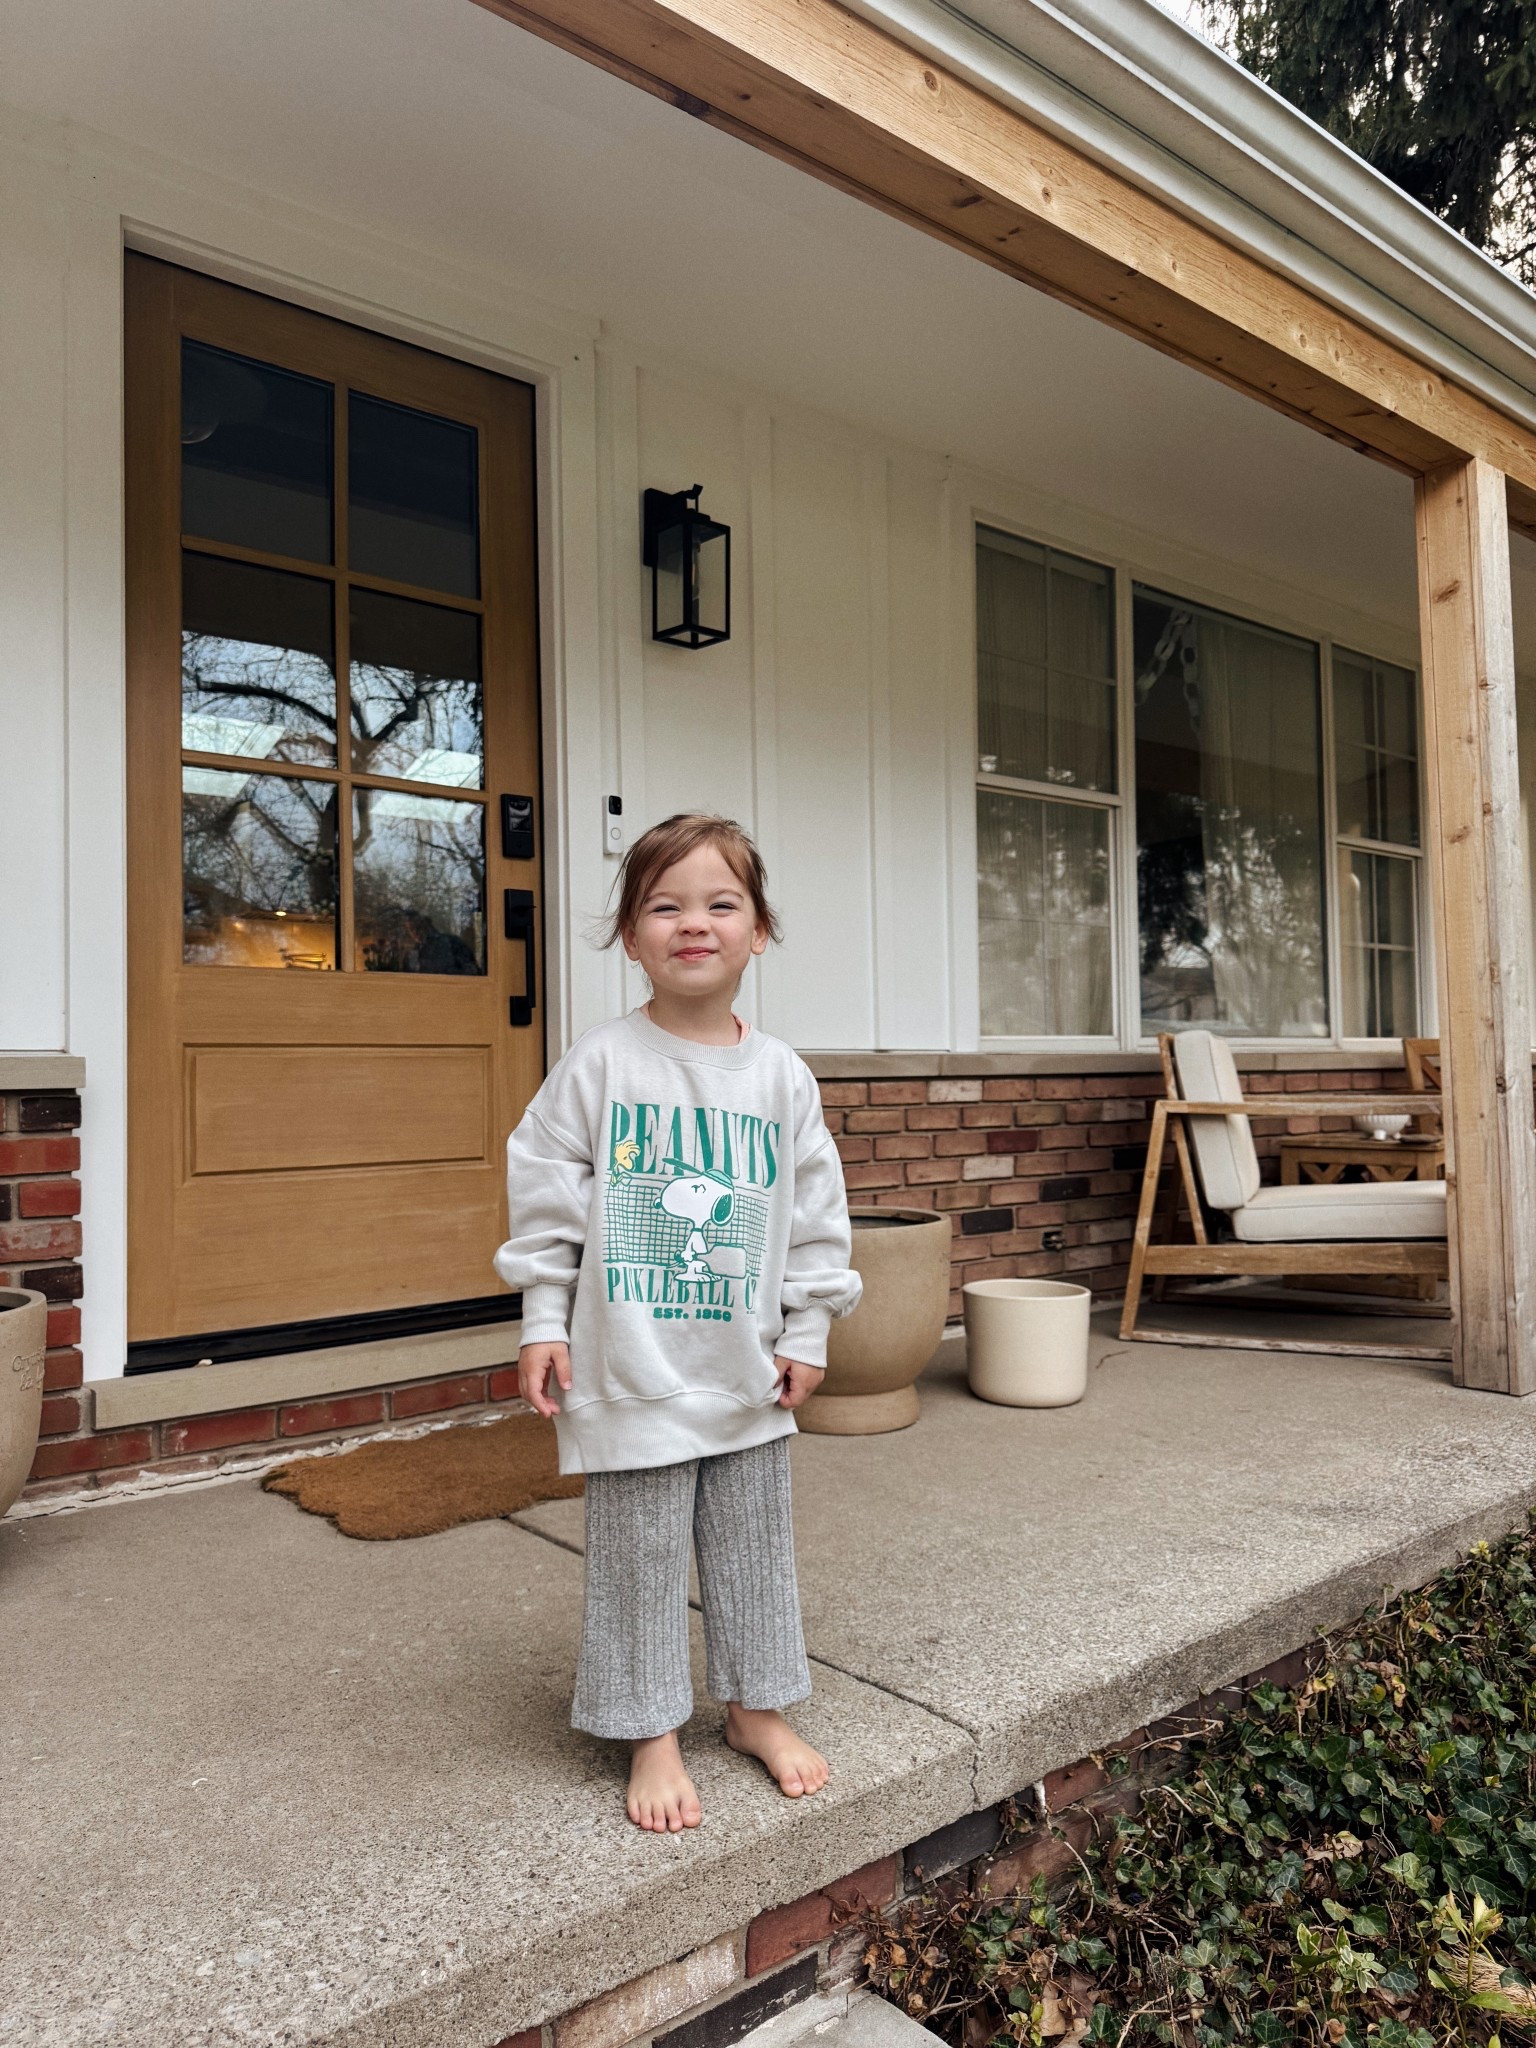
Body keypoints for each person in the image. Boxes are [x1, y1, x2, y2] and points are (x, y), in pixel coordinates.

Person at [493, 812, 861, 1833]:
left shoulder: (781, 1075)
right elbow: (546, 1189)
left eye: (719, 903)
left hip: (743, 1364)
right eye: (665, 904)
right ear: (630, 935)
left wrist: (809, 1329)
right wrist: (541, 1316)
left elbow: (818, 1218)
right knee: (640, 1553)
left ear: (758, 932)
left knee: (751, 1544)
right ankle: (648, 1726)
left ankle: (754, 1704)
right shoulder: (604, 1062)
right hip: (630, 1362)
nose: (692, 922)